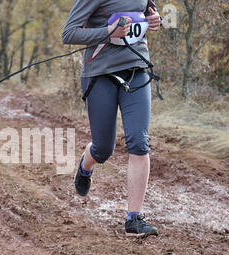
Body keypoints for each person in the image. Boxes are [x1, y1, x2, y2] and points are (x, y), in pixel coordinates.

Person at [62, 0, 162, 237]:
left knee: (139, 142)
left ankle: (134, 219)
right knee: (103, 149)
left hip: (137, 69)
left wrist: (156, 20)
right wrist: (109, 32)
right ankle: (86, 165)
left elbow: (148, 14)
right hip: (100, 74)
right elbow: (68, 34)